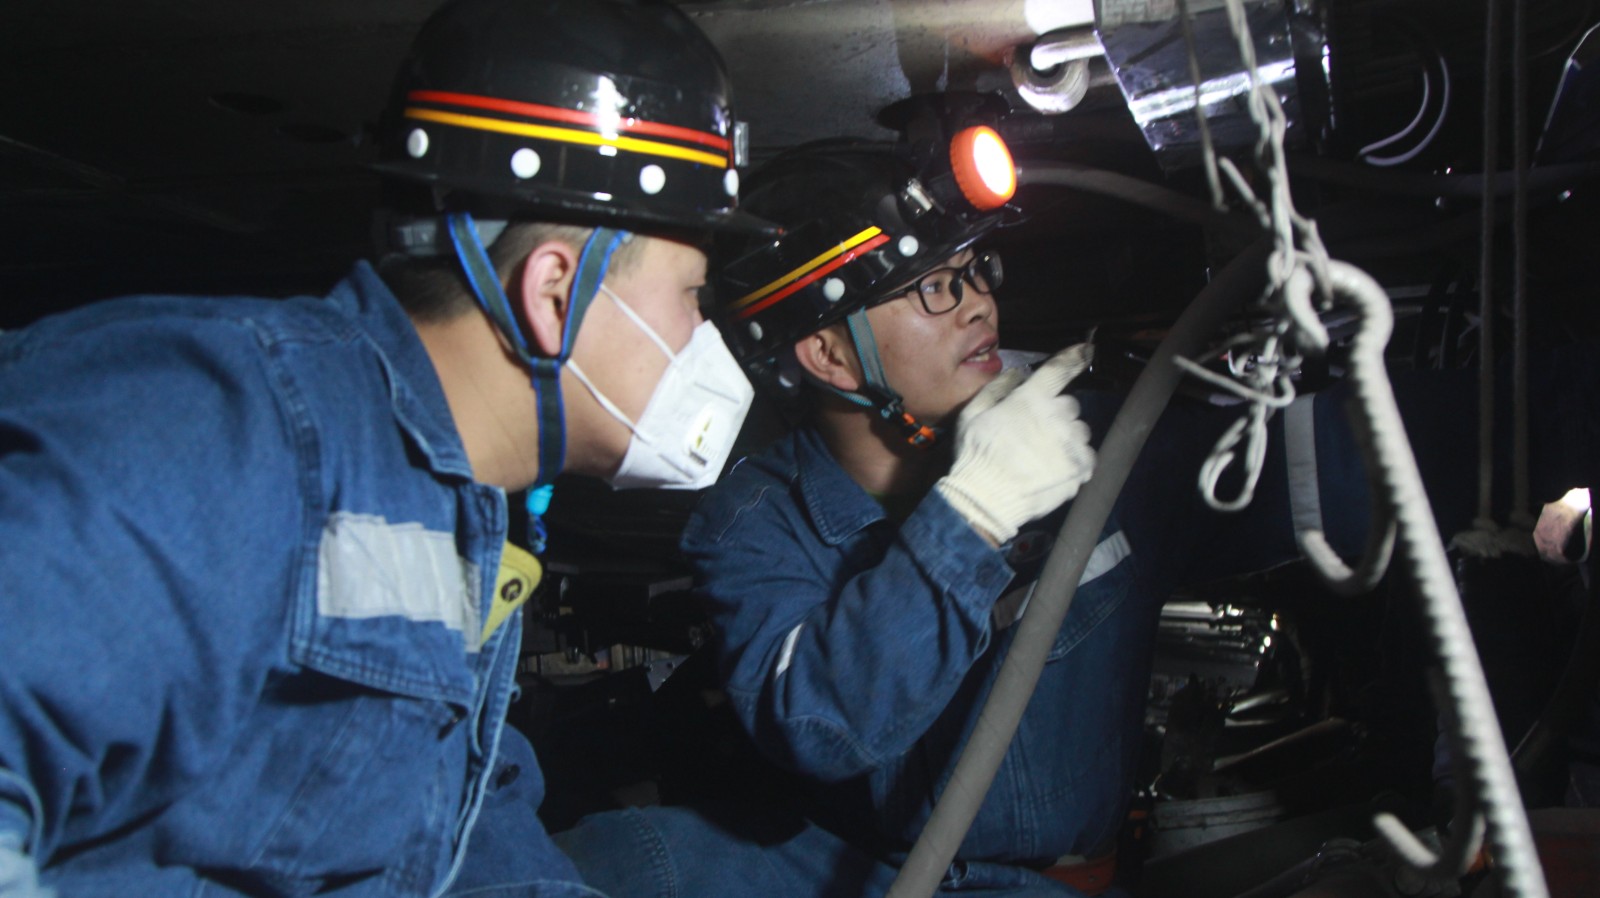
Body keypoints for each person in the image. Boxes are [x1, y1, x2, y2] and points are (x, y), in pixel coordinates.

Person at [555, 137, 1600, 897]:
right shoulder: (753, 522)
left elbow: (1339, 456)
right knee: (624, 860)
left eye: (973, 270)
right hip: (856, 874)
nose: (978, 302)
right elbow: (819, 722)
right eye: (931, 288)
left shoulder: (1099, 445)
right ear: (827, 353)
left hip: (1049, 884)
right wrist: (971, 515)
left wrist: (1556, 417)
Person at [0, 0, 765, 895]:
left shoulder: (455, 511)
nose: (703, 336)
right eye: (693, 294)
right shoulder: (228, 428)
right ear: (555, 292)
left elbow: (455, 833)